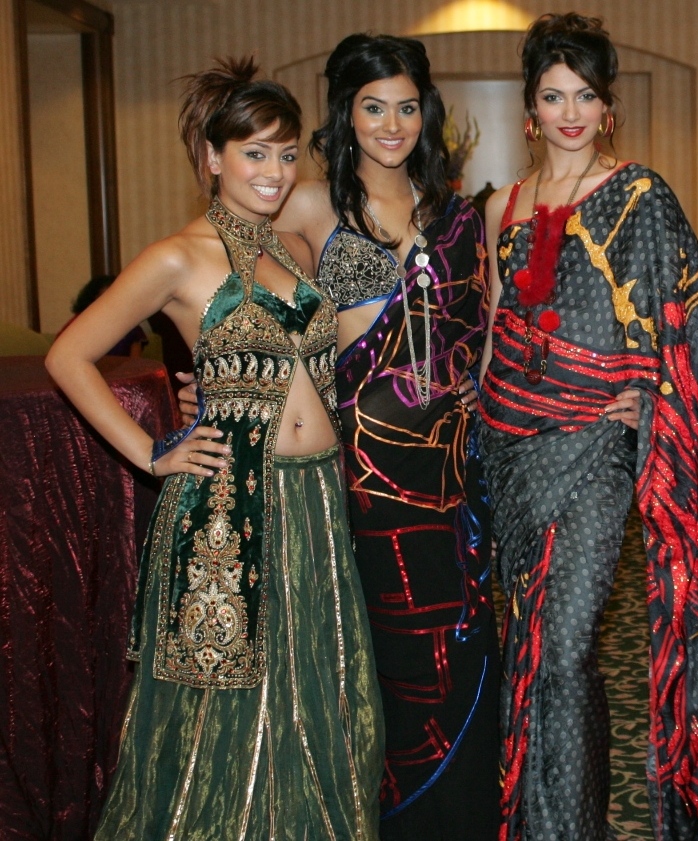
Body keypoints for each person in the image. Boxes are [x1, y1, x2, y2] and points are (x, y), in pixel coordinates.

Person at [45, 58, 383, 837]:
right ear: (213, 156)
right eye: (255, 152)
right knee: (225, 720)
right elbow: (69, 355)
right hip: (232, 507)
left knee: (315, 700)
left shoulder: (294, 247)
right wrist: (150, 452)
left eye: (287, 153)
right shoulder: (177, 256)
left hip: (315, 499)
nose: (275, 170)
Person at [179, 34, 499, 838]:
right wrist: (216, 375)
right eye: (372, 107)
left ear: (425, 112)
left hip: (452, 478)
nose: (391, 124)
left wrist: (477, 381)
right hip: (363, 482)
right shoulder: (310, 203)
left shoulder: (458, 213)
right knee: (384, 658)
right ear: (346, 114)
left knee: (461, 650)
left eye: (406, 106)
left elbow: (485, 327)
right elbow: (214, 270)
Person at [473, 13, 698, 841]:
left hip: (596, 452)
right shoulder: (503, 206)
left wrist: (654, 394)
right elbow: (495, 325)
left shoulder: (641, 196)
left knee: (568, 649)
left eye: (585, 95)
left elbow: (694, 314)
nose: (570, 112)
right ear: (530, 109)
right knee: (527, 648)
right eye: (553, 96)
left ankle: (576, 829)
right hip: (510, 446)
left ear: (607, 106)